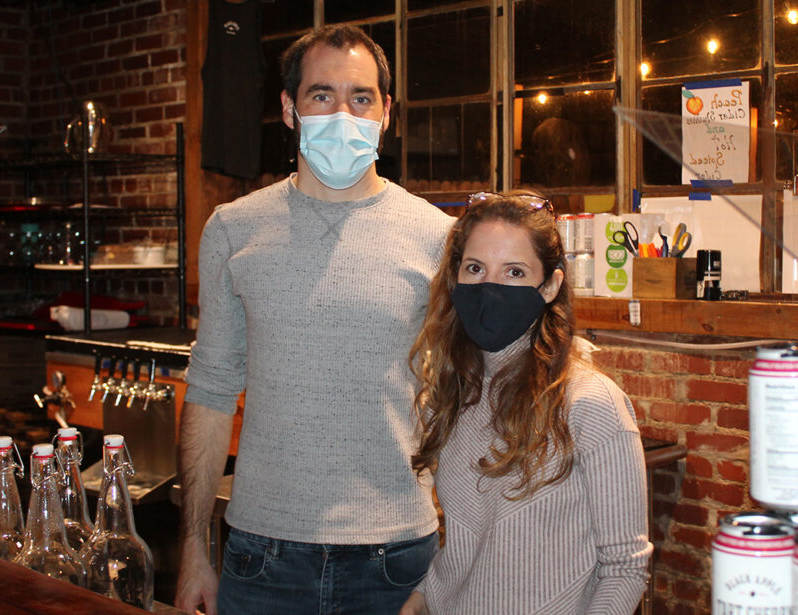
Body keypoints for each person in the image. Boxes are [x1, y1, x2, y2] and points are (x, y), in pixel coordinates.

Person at [176, 24, 454, 615]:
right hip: (262, 555)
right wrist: (194, 549)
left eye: (362, 97)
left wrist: (443, 572)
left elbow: (458, 400)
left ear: (387, 113)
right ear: (289, 109)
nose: (343, 113)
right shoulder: (233, 228)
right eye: (322, 95)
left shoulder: (437, 237)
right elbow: (210, 391)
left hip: (397, 557)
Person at [400, 191, 652, 615]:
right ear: (455, 279)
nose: (490, 287)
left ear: (550, 285)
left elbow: (625, 570)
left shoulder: (590, 404)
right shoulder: (453, 395)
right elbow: (469, 544)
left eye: (514, 272)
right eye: (475, 268)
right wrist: (420, 599)